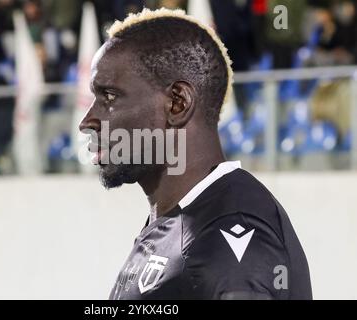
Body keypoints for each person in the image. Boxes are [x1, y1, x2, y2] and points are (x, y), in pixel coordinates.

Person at [78, 8, 312, 300]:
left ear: (178, 103)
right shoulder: (181, 218)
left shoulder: (230, 232)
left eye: (109, 96)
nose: (87, 121)